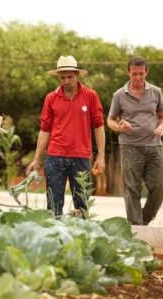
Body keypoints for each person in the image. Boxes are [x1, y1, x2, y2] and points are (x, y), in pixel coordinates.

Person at [26, 55, 105, 216]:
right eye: (62, 78)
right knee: (53, 207)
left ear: (77, 74)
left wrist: (101, 156)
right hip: (55, 157)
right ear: (58, 78)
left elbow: (98, 126)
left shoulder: (90, 96)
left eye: (69, 77)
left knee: (82, 206)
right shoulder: (51, 98)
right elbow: (45, 130)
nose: (66, 81)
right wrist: (36, 158)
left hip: (81, 157)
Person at [107, 56, 163, 225]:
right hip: (130, 146)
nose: (138, 78)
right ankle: (136, 227)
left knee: (161, 184)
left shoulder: (156, 92)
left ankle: (144, 219)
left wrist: (162, 127)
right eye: (134, 74)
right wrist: (119, 127)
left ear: (146, 72)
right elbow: (110, 120)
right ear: (128, 73)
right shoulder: (119, 95)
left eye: (141, 74)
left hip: (154, 145)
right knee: (131, 189)